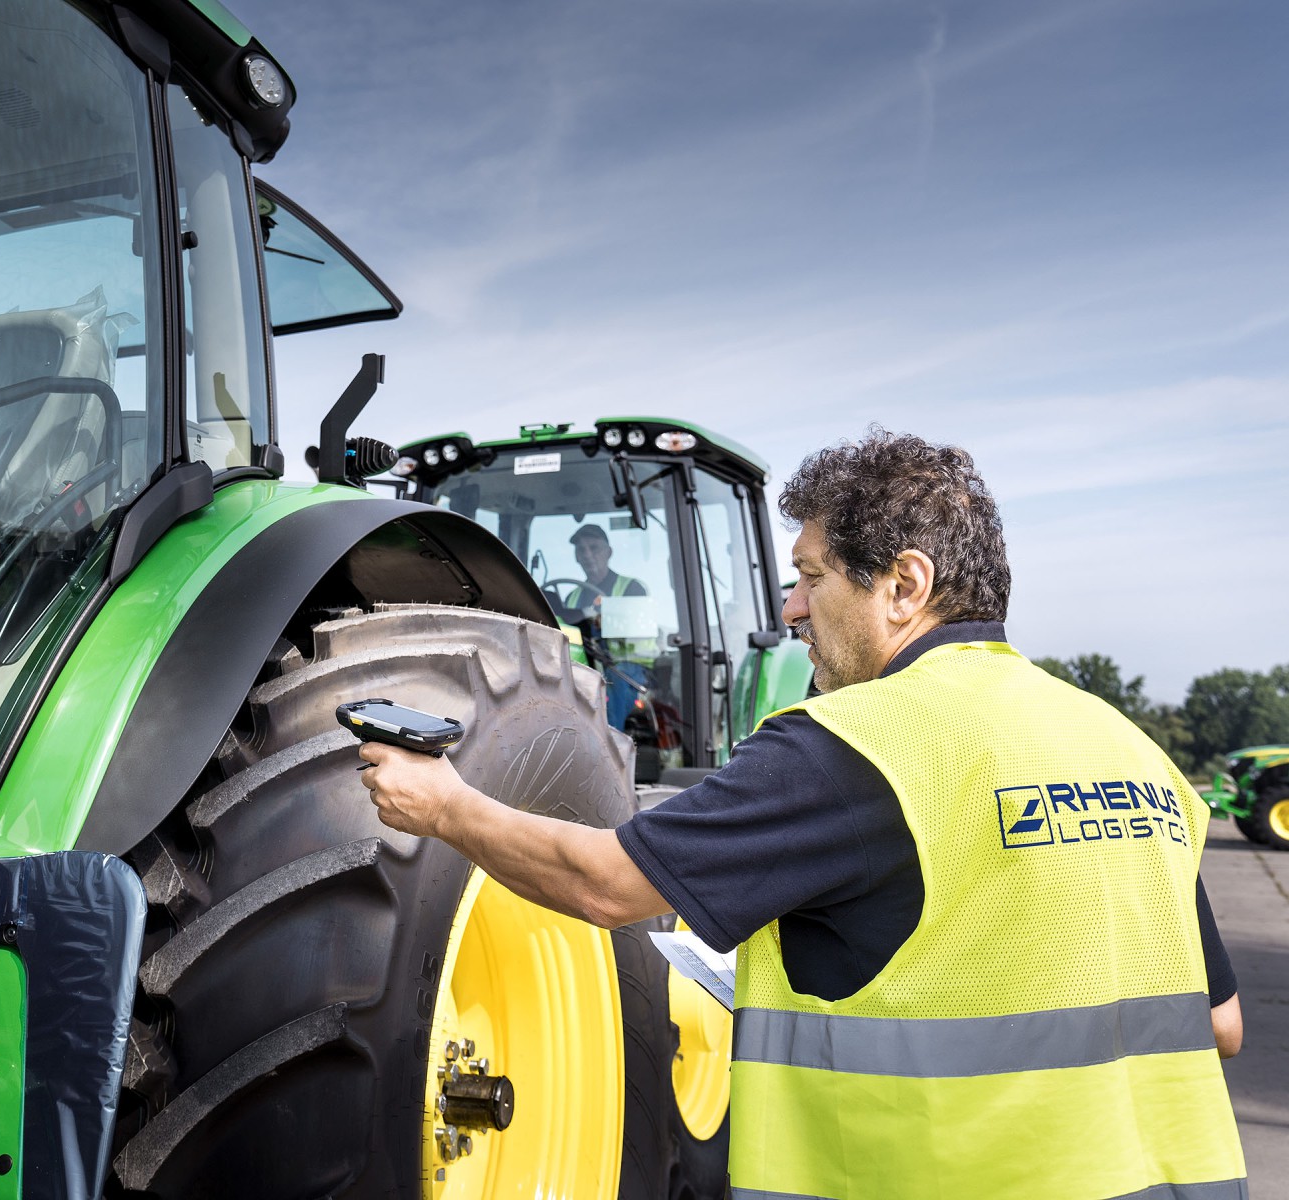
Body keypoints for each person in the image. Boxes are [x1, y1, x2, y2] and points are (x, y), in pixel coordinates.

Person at [360, 430, 1246, 1199]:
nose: (789, 611)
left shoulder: (854, 747)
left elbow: (604, 884)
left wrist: (444, 805)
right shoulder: (1130, 750)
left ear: (905, 585)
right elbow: (1218, 1025)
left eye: (810, 578)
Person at [565, 522, 652, 726]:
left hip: (627, 666)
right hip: (584, 665)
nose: (587, 554)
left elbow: (636, 632)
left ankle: (611, 745)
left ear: (609, 552)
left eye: (593, 548)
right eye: (581, 550)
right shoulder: (572, 597)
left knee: (614, 681)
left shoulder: (632, 588)